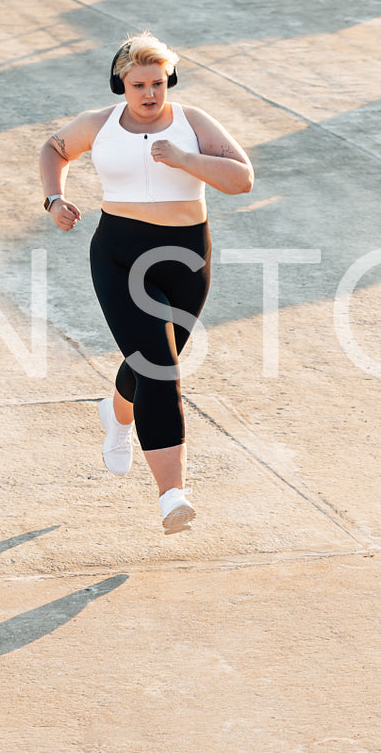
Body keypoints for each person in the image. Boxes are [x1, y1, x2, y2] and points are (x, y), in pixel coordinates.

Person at [38, 32, 253, 534]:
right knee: (160, 367)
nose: (151, 94)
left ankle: (116, 414)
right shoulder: (100, 124)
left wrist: (185, 159)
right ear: (122, 83)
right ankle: (171, 494)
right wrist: (53, 200)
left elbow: (241, 178)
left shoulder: (192, 122)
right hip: (120, 255)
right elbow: (53, 149)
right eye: (139, 84)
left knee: (155, 359)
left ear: (169, 80)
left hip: (186, 259)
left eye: (158, 82)